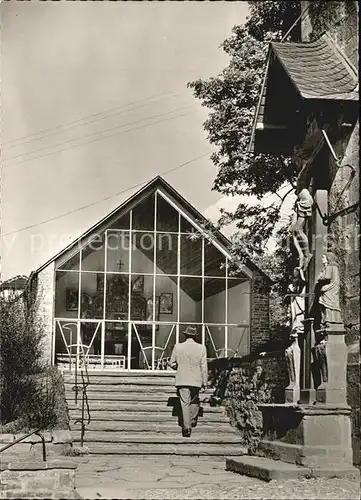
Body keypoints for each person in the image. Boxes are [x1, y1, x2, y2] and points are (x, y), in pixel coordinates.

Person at [169, 326, 208, 438]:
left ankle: (187, 427)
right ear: (195, 336)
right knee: (195, 401)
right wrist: (205, 382)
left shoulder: (178, 347)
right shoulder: (201, 348)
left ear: (185, 335)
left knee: (185, 403)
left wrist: (179, 366)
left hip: (183, 379)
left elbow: (172, 363)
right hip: (196, 379)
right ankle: (192, 421)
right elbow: (204, 367)